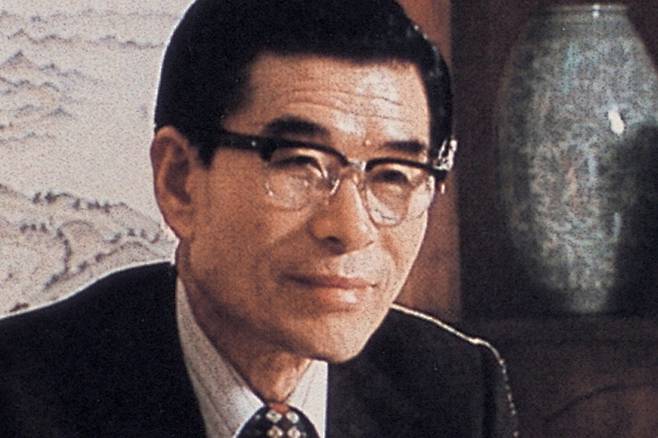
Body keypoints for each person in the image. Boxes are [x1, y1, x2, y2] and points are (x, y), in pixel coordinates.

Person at [0, 0, 517, 436]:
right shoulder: (20, 398)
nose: (350, 228)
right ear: (180, 181)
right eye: (299, 164)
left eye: (393, 174)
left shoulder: (455, 391)